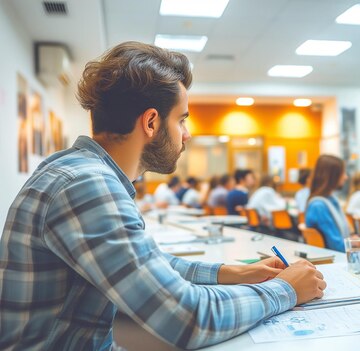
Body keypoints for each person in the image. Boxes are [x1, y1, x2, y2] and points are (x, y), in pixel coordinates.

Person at [0, 41, 326, 350]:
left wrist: (231, 273)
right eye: (181, 120)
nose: (187, 134)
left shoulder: (81, 172)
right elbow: (189, 319)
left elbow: (146, 264)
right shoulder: (85, 185)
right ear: (152, 122)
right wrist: (285, 290)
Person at [305, 155, 351, 252]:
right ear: (332, 176)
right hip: (338, 259)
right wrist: (357, 243)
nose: (346, 177)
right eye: (343, 173)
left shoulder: (330, 201)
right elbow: (337, 246)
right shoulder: (319, 206)